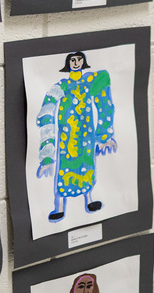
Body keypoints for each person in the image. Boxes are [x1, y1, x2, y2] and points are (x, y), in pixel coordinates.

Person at [36, 51, 117, 222]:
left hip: (86, 135)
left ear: (83, 62)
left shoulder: (88, 82)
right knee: (65, 166)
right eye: (72, 60)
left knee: (87, 164)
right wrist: (46, 154)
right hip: (68, 136)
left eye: (79, 59)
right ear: (68, 63)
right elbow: (47, 108)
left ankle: (89, 199)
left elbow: (104, 94)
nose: (76, 62)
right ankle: (59, 206)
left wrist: (104, 135)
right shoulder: (63, 85)